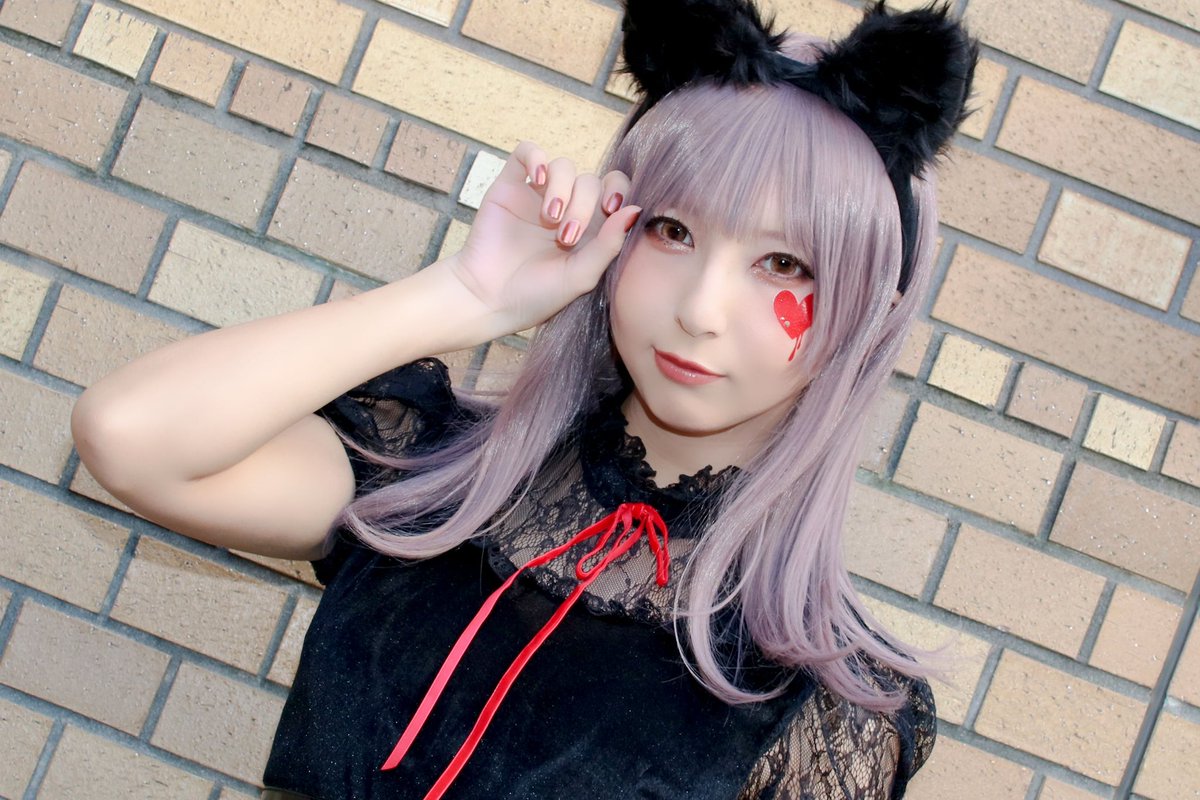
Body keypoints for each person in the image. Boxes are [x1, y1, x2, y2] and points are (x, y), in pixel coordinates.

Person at [71, 1, 976, 797]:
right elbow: (128, 434)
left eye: (783, 263)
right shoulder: (428, 479)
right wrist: (466, 296)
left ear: (869, 309)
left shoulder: (825, 706)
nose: (701, 309)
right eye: (673, 232)